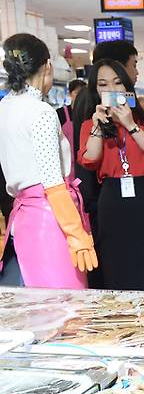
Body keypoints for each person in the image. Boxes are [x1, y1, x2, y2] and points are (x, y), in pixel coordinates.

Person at [0, 33, 97, 288]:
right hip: (52, 218)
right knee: (66, 308)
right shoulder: (40, 112)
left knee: (37, 304)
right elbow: (53, 182)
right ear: (47, 66)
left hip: (22, 219)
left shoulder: (5, 107)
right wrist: (77, 234)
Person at [77, 59, 144, 292]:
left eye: (117, 82)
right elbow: (89, 160)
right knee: (117, 263)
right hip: (112, 199)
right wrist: (98, 128)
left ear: (128, 86)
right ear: (96, 90)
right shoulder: (89, 125)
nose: (111, 90)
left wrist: (130, 125)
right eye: (103, 84)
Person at [73, 40, 139, 288]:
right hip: (101, 194)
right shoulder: (97, 106)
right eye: (133, 65)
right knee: (111, 260)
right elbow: (89, 155)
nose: (136, 72)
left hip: (95, 194)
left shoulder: (90, 100)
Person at [56, 79, 85, 182]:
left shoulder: (87, 114)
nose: (80, 97)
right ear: (70, 94)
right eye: (77, 93)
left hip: (83, 166)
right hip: (66, 166)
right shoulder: (60, 114)